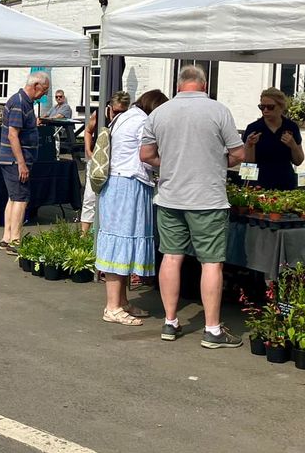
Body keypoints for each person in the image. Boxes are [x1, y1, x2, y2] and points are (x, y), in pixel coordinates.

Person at [140, 65, 246, 348]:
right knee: (211, 263)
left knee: (171, 257)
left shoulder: (159, 113)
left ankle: (170, 322)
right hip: (207, 198)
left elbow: (146, 154)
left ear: (178, 86)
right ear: (204, 84)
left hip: (170, 196)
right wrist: (215, 162)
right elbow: (239, 153)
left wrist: (172, 163)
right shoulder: (218, 110)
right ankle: (212, 329)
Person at [96, 89, 169, 326]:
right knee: (122, 241)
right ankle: (113, 307)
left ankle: (122, 301)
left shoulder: (126, 116)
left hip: (120, 184)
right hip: (127, 185)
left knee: (123, 242)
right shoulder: (141, 121)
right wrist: (171, 165)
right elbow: (147, 156)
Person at [0, 71, 51, 253]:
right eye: (44, 90)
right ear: (36, 85)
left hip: (12, 160)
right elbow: (13, 134)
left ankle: (7, 237)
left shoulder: (24, 103)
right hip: (15, 161)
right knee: (21, 199)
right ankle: (15, 240)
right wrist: (21, 163)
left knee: (13, 197)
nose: (45, 94)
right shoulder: (19, 102)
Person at [80, 92, 130, 234]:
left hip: (115, 162)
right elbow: (88, 131)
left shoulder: (128, 119)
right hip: (98, 160)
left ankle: (105, 230)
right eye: (116, 111)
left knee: (110, 197)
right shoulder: (100, 113)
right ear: (110, 107)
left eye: (123, 111)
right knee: (90, 196)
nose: (118, 114)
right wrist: (88, 151)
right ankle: (84, 234)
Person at [243, 87, 304, 190]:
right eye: (262, 107)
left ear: (281, 107)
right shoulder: (254, 128)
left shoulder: (291, 127)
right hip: (260, 184)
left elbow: (298, 161)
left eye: (270, 107)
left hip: (285, 183)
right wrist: (249, 145)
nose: (265, 110)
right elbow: (248, 164)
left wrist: (293, 145)